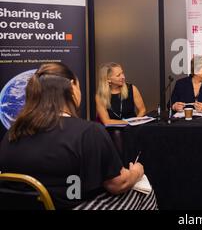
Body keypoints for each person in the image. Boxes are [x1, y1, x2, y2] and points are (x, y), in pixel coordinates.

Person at [0, 63, 157, 210]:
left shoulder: (12, 133)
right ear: (71, 87)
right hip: (73, 206)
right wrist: (137, 171)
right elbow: (118, 184)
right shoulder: (87, 132)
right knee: (144, 189)